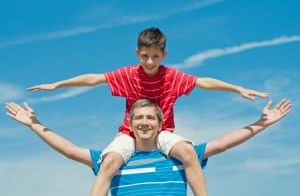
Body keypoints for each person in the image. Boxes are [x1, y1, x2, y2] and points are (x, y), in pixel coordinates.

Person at [27, 27, 269, 196]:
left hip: (163, 132)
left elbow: (203, 82)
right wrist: (58, 85)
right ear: (137, 54)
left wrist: (237, 88)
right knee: (109, 162)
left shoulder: (172, 76)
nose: (150, 62)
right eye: (145, 56)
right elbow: (94, 79)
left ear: (164, 55)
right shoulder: (129, 75)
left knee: (187, 151)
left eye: (155, 56)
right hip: (127, 133)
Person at [6, 98, 291, 195]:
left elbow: (223, 143)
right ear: (129, 124)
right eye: (138, 118)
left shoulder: (178, 155)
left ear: (160, 122)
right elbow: (70, 150)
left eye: (149, 117)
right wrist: (34, 124)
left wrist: (261, 123)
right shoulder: (115, 159)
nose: (144, 122)